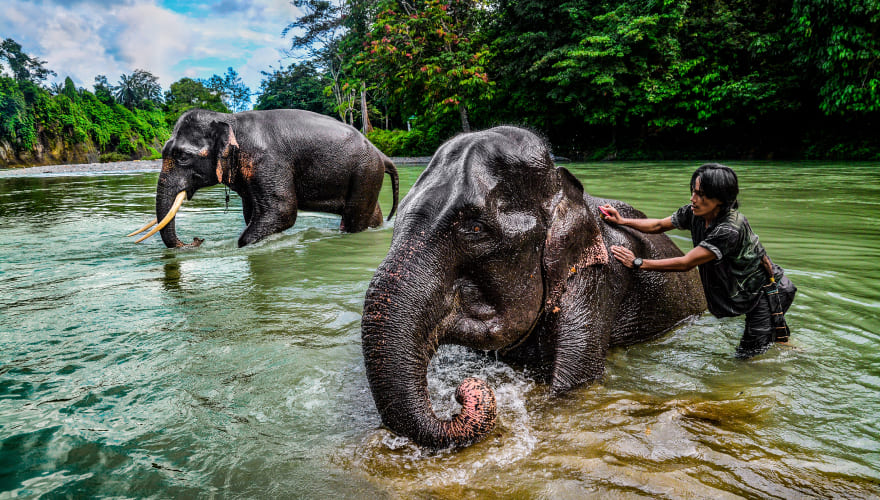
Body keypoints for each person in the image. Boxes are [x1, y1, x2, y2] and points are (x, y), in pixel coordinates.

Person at [600, 163, 796, 358]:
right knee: (774, 339)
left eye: (701, 194)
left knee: (749, 357)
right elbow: (659, 225)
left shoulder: (729, 229)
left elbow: (687, 263)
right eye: (693, 192)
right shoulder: (695, 212)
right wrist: (622, 221)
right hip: (747, 289)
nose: (693, 199)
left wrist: (638, 263)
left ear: (721, 198)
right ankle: (790, 347)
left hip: (766, 291)